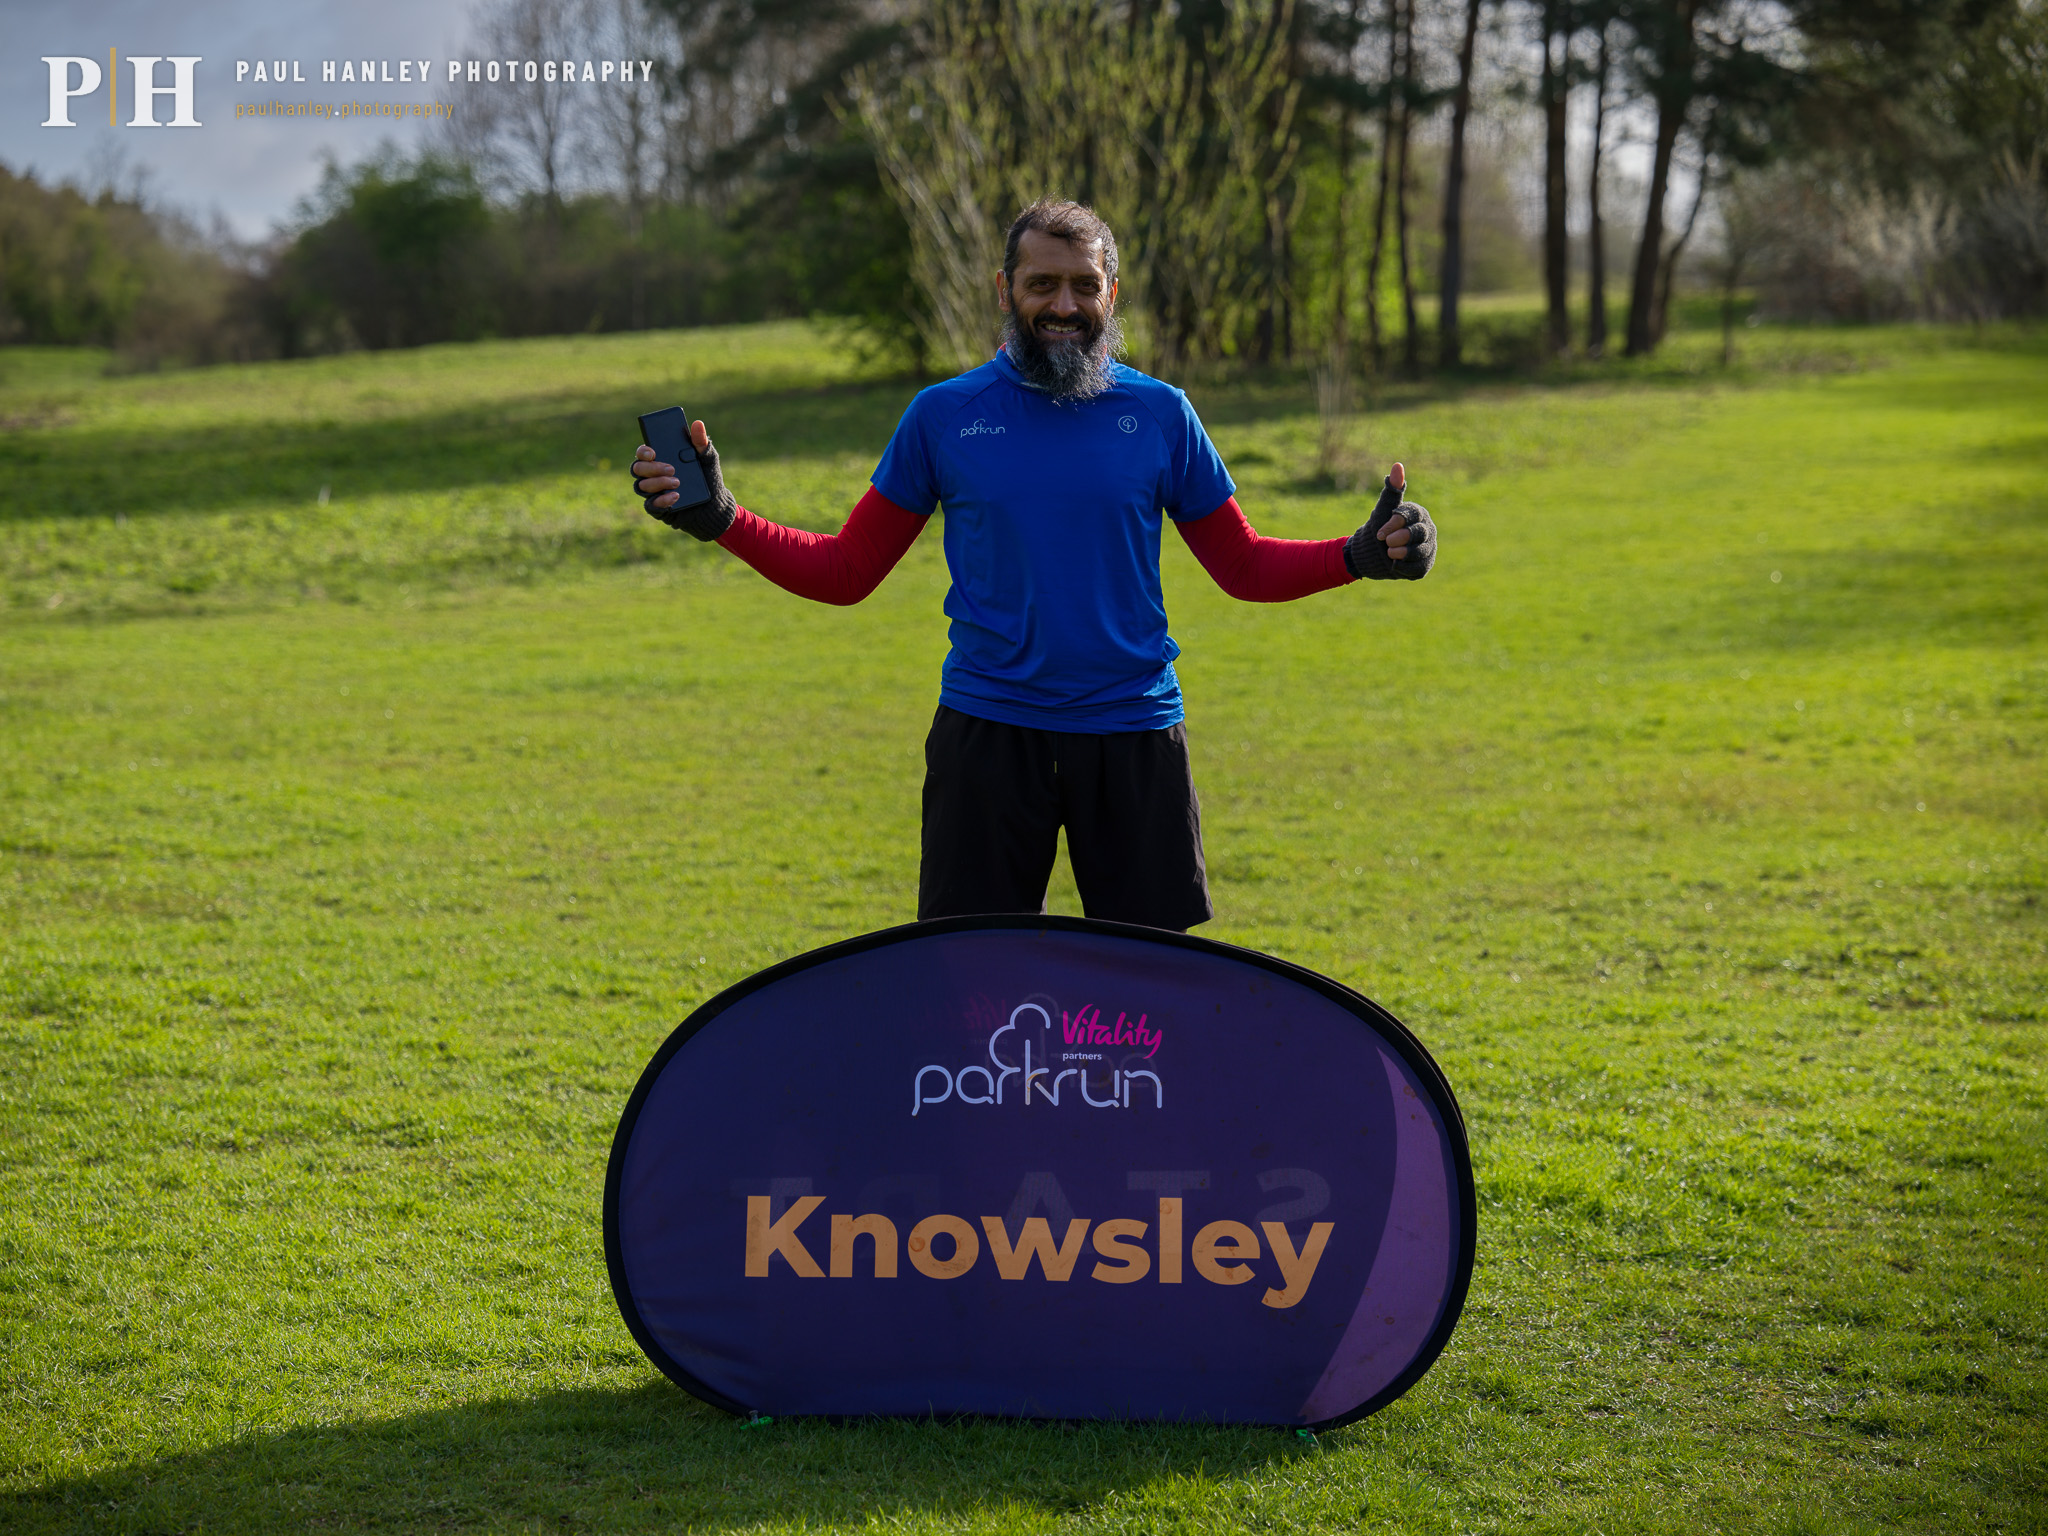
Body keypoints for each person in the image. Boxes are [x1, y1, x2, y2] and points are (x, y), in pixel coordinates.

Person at [631, 199, 1434, 933]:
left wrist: (1359, 555)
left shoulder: (1160, 413)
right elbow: (847, 571)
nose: (1063, 306)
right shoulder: (944, 416)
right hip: (988, 735)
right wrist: (724, 519)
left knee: (1152, 986)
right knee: (974, 980)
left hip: (1133, 732)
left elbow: (1242, 565)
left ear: (1111, 293)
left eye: (1084, 285)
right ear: (1004, 289)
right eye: (1041, 284)